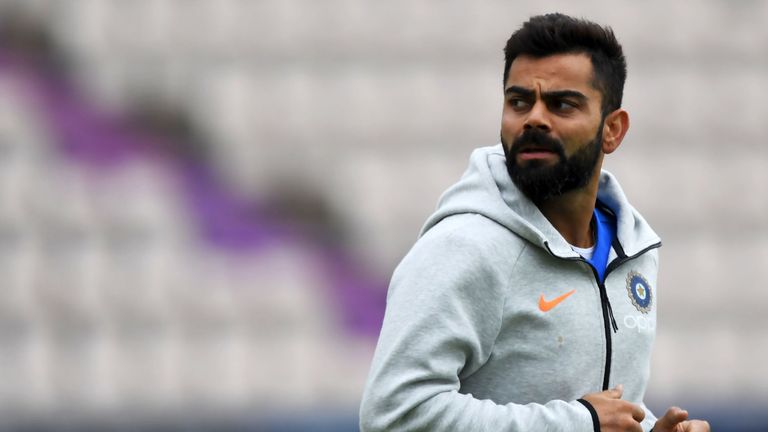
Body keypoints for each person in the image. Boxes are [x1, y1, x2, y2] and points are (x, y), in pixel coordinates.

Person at [359, 13, 709, 432]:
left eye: (562, 104)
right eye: (519, 102)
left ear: (612, 130)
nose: (534, 119)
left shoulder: (631, 251)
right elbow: (393, 413)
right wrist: (580, 424)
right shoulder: (462, 246)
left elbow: (603, 406)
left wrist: (649, 429)